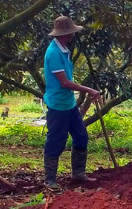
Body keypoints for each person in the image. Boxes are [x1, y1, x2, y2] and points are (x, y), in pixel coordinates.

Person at [42, 16, 101, 189]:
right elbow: (64, 82)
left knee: (81, 136)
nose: (72, 36)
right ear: (65, 34)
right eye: (70, 34)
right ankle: (50, 180)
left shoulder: (64, 50)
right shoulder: (53, 53)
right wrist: (89, 90)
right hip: (57, 105)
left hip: (68, 103)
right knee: (56, 140)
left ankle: (78, 174)